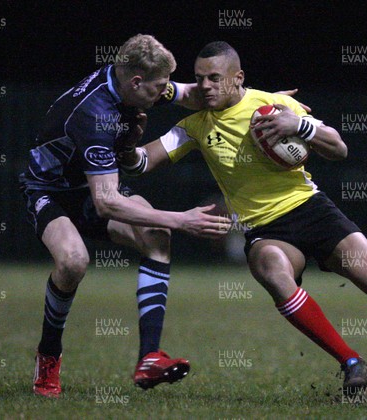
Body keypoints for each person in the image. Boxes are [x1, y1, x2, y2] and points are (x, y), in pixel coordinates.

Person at [119, 41, 367, 410]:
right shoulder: (195, 126)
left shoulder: (273, 105)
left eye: (215, 78)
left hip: (312, 211)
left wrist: (297, 123)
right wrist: (127, 143)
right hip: (265, 229)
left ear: (238, 78)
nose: (205, 86)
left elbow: (338, 148)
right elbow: (141, 163)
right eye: (200, 78)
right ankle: (351, 362)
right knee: (270, 268)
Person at [19, 34, 233, 398]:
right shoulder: (94, 114)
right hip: (51, 191)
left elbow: (194, 95)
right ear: (136, 83)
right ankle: (49, 356)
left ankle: (149, 357)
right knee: (73, 261)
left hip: (89, 187)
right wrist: (182, 219)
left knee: (154, 234)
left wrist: (267, 103)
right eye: (159, 88)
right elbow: (107, 203)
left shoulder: (135, 80)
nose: (164, 93)